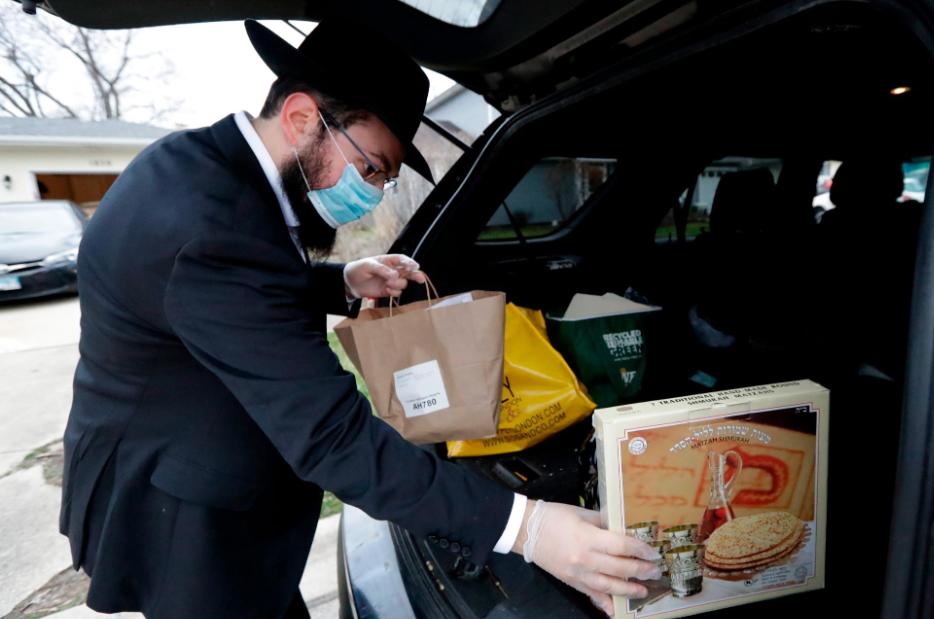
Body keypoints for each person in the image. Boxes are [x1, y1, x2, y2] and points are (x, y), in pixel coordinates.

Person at [59, 18, 660, 618]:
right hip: (179, 509)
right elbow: (331, 435)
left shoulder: (206, 167)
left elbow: (225, 298)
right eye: (373, 167)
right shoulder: (209, 226)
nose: (373, 190)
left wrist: (342, 281)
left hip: (199, 467)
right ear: (301, 119)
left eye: (386, 177)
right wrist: (529, 528)